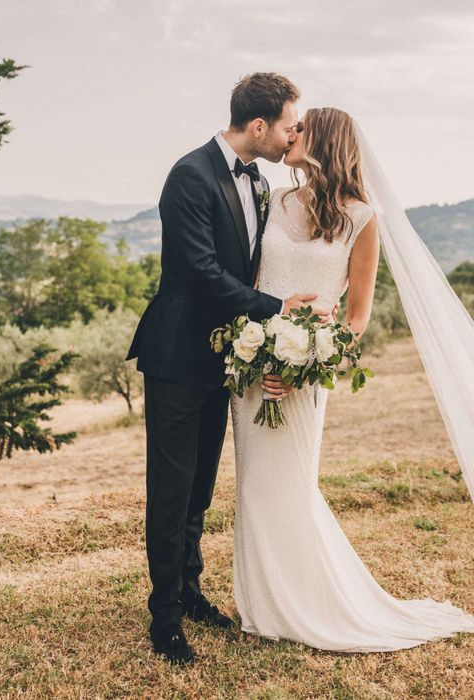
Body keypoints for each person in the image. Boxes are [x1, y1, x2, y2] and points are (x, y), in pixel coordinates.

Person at [231, 106, 474, 651]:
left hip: (302, 374)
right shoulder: (279, 201)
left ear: (325, 140)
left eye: (300, 128)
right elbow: (254, 280)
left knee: (290, 484)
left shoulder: (363, 219)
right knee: (253, 487)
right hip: (254, 369)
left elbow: (356, 316)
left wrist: (306, 364)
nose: (290, 134)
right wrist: (255, 345)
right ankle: (263, 607)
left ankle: (306, 606)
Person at [126, 73, 336, 664]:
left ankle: (190, 591)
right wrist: (276, 309)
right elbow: (198, 273)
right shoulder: (188, 176)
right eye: (291, 126)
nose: (295, 135)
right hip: (175, 357)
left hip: (222, 359)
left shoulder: (262, 181)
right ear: (260, 126)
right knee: (170, 489)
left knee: (198, 489)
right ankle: (164, 617)